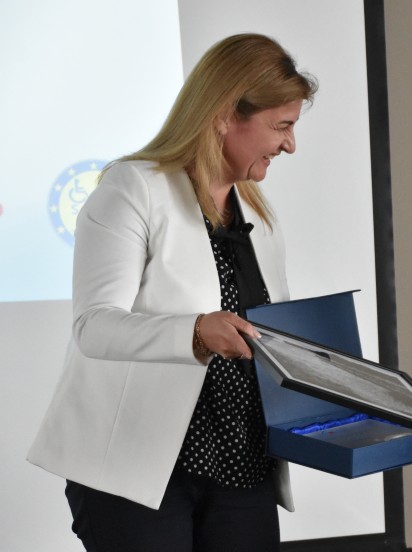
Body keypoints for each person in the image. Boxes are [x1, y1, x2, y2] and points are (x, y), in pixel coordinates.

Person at [27, 33, 317, 551]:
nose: (290, 145)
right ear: (225, 114)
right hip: (138, 469)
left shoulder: (260, 217)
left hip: (242, 462)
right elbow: (94, 325)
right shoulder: (132, 189)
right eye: (282, 126)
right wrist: (196, 333)